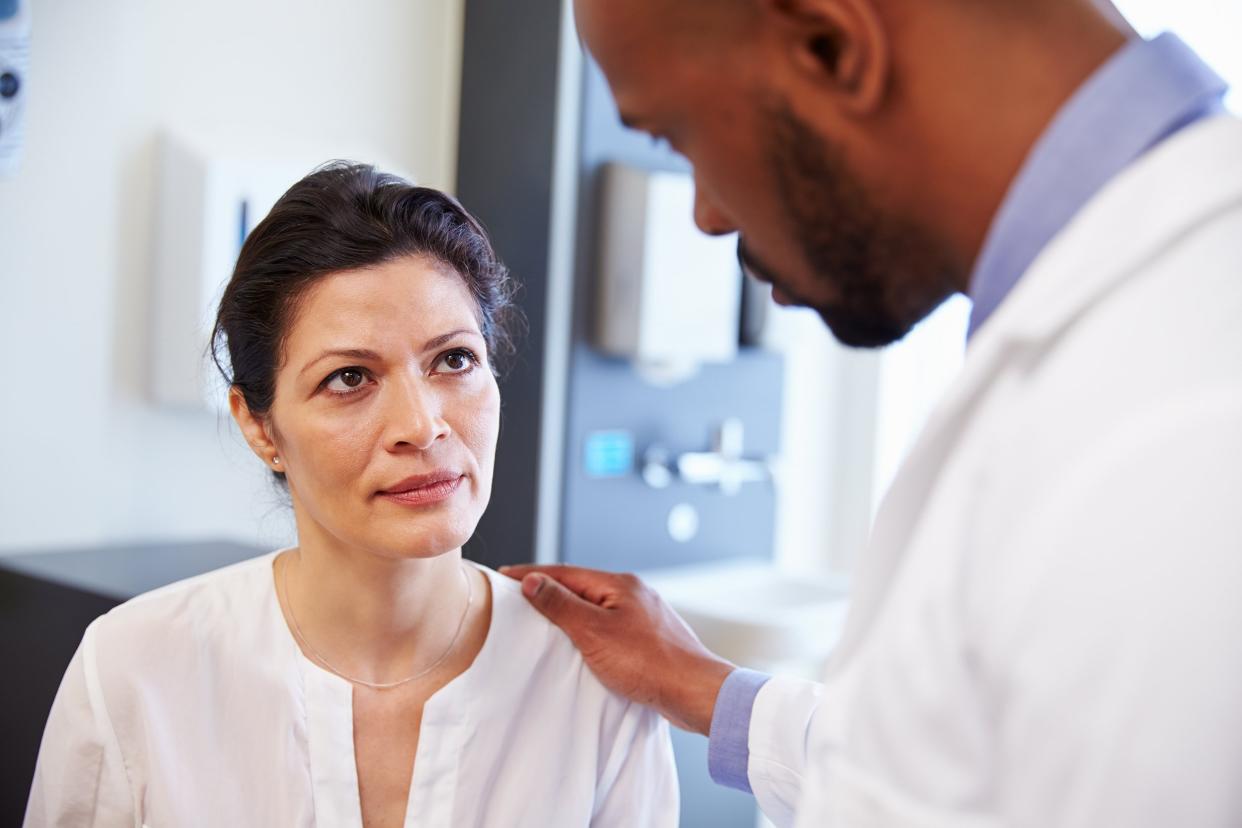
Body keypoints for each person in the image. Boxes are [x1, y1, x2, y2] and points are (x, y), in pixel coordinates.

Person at [503, 0, 1242, 825]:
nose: (707, 217)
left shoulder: (1182, 418)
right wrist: (700, 685)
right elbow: (956, 765)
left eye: (677, 135)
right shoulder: (1111, 343)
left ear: (832, 46)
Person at [25, 164, 678, 827]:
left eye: (453, 359)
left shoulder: (594, 686)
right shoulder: (135, 669)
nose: (423, 426)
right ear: (259, 425)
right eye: (349, 378)